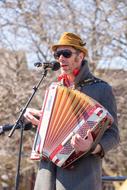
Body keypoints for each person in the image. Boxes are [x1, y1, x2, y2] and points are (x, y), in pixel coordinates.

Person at [24, 32, 120, 190]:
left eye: (66, 53)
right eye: (57, 54)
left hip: (80, 178)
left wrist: (93, 147)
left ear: (80, 56)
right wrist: (30, 120)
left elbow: (114, 135)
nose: (60, 58)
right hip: (46, 175)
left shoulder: (101, 88)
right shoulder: (54, 89)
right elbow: (49, 130)